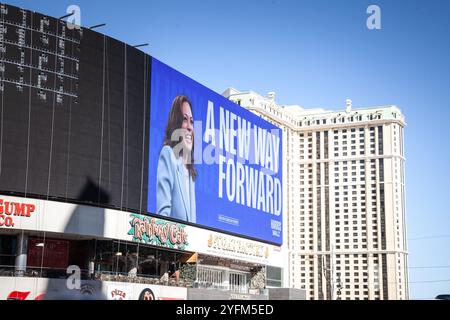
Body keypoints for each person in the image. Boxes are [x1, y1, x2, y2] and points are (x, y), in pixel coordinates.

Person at [156, 95, 197, 223]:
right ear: (176, 124)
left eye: (192, 121)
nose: (190, 127)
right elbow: (163, 215)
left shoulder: (190, 172)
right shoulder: (168, 154)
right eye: (185, 120)